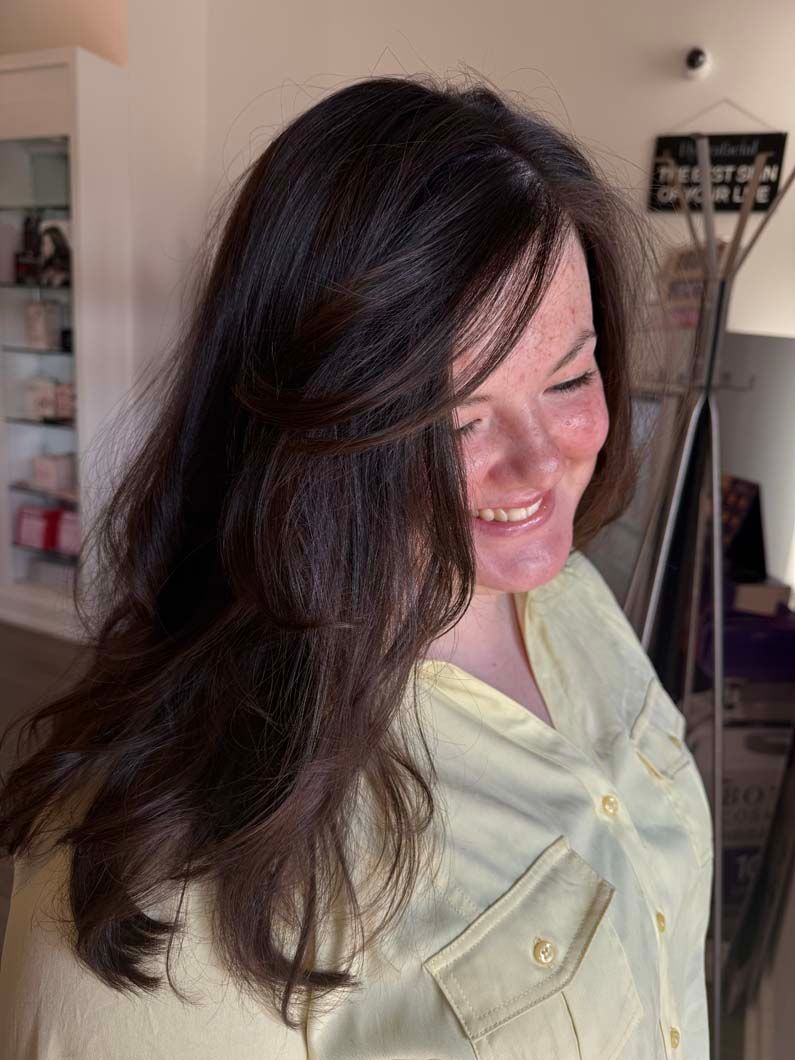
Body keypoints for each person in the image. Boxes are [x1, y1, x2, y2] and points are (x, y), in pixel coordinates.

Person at [0, 73, 713, 1058]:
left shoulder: (571, 596)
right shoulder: (169, 878)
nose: (540, 464)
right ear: (309, 424)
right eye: (454, 421)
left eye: (569, 377)